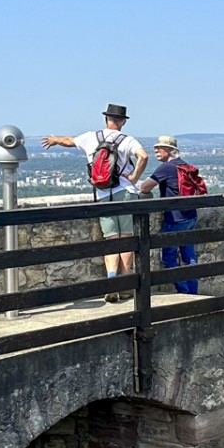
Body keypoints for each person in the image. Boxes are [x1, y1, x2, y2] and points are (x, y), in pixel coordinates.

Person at [40, 104, 148, 302]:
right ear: (123, 121)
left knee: (111, 239)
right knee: (126, 239)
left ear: (106, 119)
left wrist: (55, 140)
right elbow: (144, 156)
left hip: (103, 194)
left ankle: (111, 281)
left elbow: (68, 141)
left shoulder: (92, 137)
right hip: (125, 192)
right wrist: (133, 177)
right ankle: (125, 286)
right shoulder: (127, 140)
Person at [139, 135, 199, 295]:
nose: (155, 150)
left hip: (174, 218)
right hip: (190, 216)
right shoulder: (185, 165)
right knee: (189, 257)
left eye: (159, 147)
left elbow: (145, 188)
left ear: (169, 150)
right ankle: (193, 293)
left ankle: (184, 292)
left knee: (169, 257)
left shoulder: (166, 167)